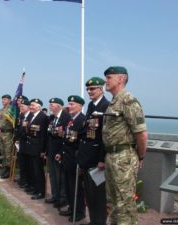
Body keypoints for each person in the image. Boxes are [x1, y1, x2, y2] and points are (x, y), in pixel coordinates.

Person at [102, 66, 148, 225]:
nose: (105, 81)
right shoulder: (114, 102)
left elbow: (141, 134)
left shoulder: (128, 100)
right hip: (111, 156)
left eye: (109, 77)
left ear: (121, 79)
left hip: (124, 159)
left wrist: (140, 156)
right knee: (113, 202)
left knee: (124, 205)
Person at [76, 77, 109, 225]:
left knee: (99, 196)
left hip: (97, 159)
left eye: (93, 88)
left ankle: (99, 222)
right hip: (87, 157)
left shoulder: (106, 106)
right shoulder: (90, 105)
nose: (89, 91)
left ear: (101, 89)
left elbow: (105, 136)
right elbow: (87, 130)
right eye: (88, 89)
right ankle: (93, 221)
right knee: (89, 194)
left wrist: (102, 159)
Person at [55, 95, 86, 222]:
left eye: (72, 104)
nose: (69, 106)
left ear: (80, 106)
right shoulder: (71, 120)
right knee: (68, 186)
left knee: (76, 187)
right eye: (69, 104)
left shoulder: (82, 120)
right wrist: (61, 153)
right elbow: (66, 139)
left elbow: (81, 142)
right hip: (67, 157)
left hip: (75, 159)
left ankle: (79, 212)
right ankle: (71, 207)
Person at [45, 97, 71, 208]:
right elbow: (49, 134)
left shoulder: (66, 117)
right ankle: (55, 196)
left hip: (60, 151)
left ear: (59, 106)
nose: (50, 106)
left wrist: (61, 151)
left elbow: (66, 137)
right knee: (52, 175)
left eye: (52, 104)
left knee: (60, 176)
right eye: (50, 104)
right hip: (51, 150)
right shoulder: (52, 117)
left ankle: (62, 198)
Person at [25, 98, 49, 200]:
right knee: (33, 169)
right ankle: (35, 188)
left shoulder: (43, 117)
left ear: (39, 107)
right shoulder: (32, 116)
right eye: (30, 105)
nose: (31, 107)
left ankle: (41, 191)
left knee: (38, 171)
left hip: (38, 148)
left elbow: (44, 135)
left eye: (33, 105)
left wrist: (43, 150)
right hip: (31, 146)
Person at [15, 96, 33, 189]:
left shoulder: (30, 116)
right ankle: (23, 180)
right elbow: (18, 128)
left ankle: (26, 181)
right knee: (22, 162)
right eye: (20, 106)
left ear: (28, 107)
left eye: (22, 106)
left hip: (27, 143)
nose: (20, 108)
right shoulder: (21, 116)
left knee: (27, 165)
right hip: (21, 142)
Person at [0, 94, 14, 179]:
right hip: (1, 133)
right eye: (2, 99)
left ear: (9, 100)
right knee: (3, 152)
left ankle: (9, 169)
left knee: (8, 153)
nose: (3, 101)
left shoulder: (11, 109)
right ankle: (4, 168)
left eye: (4, 99)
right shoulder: (1, 110)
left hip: (8, 133)